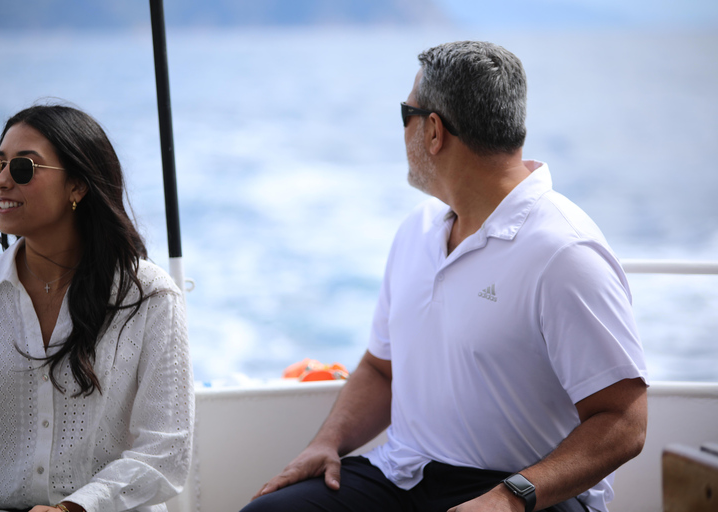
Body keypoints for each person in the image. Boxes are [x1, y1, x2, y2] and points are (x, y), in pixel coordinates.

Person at [242, 41, 648, 512]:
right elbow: (381, 368)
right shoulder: (417, 231)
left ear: (433, 131)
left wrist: (511, 497)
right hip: (405, 473)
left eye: (406, 114)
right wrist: (326, 442)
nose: (404, 130)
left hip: (527, 491)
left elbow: (624, 419)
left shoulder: (564, 252)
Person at [0, 104, 194, 512]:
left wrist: (74, 508)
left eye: (24, 168)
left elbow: (166, 450)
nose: (2, 181)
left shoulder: (148, 295)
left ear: (77, 186)